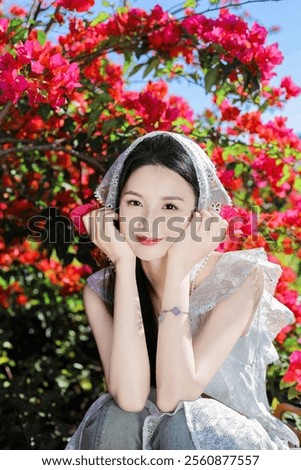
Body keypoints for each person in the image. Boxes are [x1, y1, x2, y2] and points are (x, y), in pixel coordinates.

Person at [66, 131, 299, 450]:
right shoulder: (101, 289)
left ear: (198, 213)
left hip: (226, 440)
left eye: (170, 206)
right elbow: (131, 397)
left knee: (184, 420)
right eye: (134, 202)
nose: (148, 222)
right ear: (115, 209)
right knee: (116, 415)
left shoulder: (241, 278)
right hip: (146, 426)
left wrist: (176, 271)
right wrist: (123, 263)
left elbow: (177, 395)